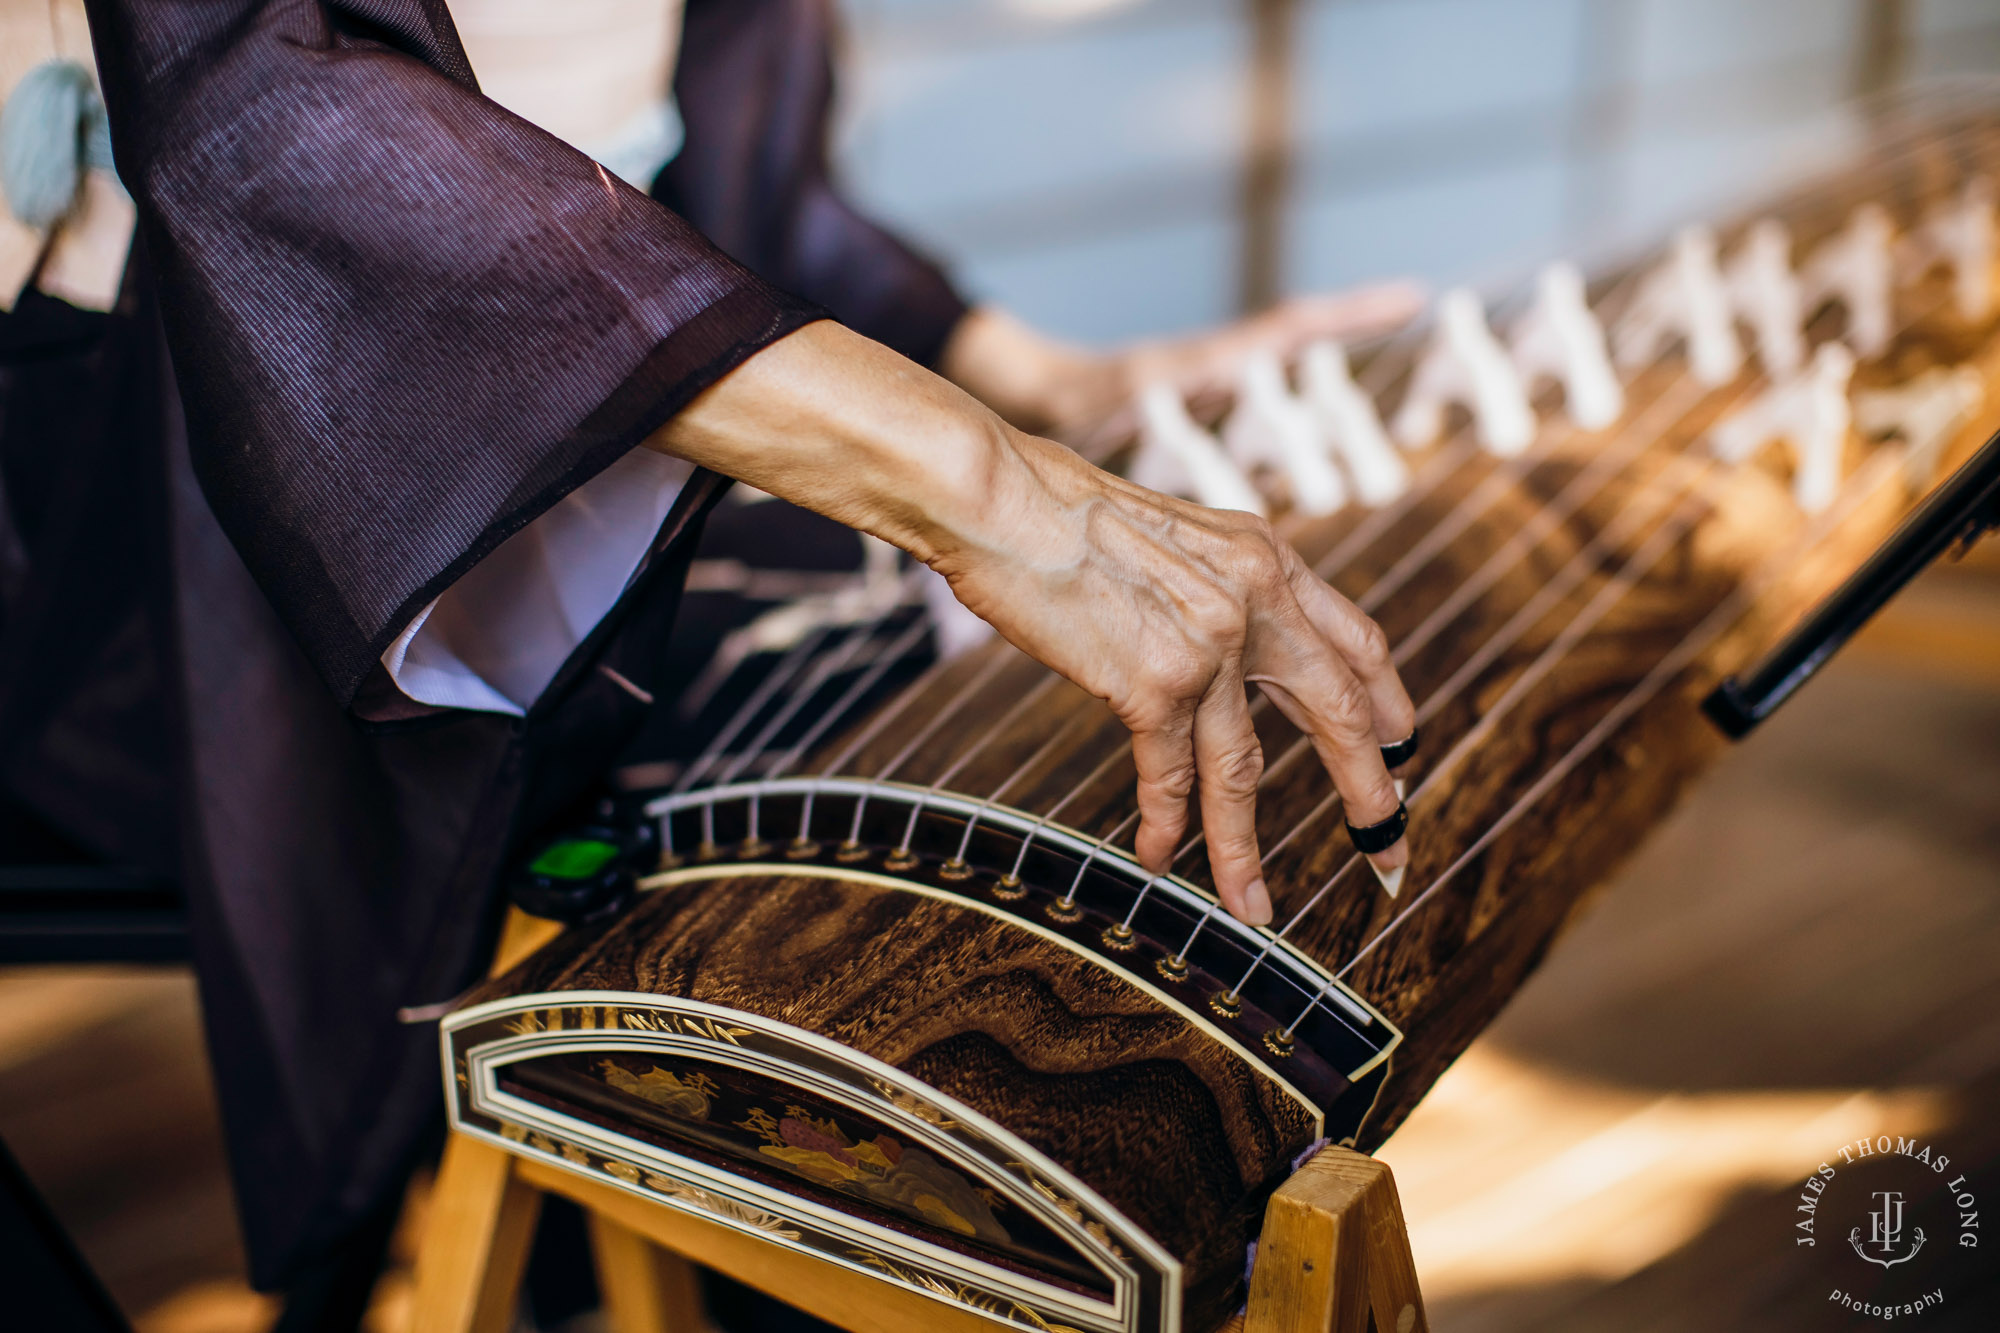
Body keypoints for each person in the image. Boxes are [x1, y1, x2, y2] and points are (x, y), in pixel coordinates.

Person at [1, 0, 1417, 1296]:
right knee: (775, 829)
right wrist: (998, 494)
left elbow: (737, 199)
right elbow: (271, 113)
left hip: (534, 385)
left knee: (907, 724)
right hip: (144, 481)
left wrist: (1056, 388)